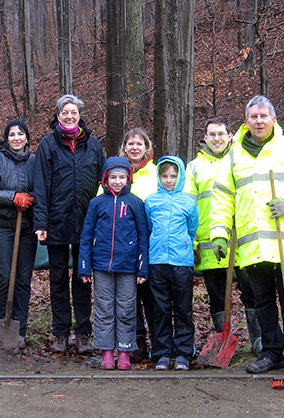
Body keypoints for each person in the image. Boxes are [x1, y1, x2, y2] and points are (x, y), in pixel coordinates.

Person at [210, 95, 284, 375]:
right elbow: (222, 198)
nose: (259, 121)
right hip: (253, 244)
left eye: (263, 116)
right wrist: (219, 234)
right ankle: (271, 353)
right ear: (246, 121)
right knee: (262, 304)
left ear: (273, 119)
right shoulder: (234, 155)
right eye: (254, 117)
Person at [33, 94, 105, 354]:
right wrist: (41, 222)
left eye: (73, 112)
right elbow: (40, 187)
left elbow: (102, 185)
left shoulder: (93, 145)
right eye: (65, 112)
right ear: (58, 115)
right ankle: (60, 332)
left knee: (83, 279)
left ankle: (84, 332)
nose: (69, 116)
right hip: (56, 222)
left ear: (79, 115)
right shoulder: (48, 146)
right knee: (58, 280)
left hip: (87, 224)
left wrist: (101, 223)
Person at [184, 117, 262, 355]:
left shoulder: (242, 161)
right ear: (205, 138)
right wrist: (194, 241)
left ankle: (259, 339)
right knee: (217, 296)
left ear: (230, 136)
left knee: (253, 293)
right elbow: (189, 207)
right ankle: (223, 338)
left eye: (221, 134)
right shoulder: (195, 167)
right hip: (209, 245)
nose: (217, 139)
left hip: (244, 242)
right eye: (212, 134)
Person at [78, 157, 150, 370]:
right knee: (104, 309)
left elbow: (143, 236)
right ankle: (106, 352)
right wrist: (84, 266)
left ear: (128, 179)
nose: (117, 181)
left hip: (128, 268)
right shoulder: (97, 203)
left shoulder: (135, 203)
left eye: (122, 177)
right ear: (105, 179)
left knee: (127, 309)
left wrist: (142, 267)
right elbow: (86, 235)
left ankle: (125, 351)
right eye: (113, 177)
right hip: (102, 267)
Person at [0, 120, 37, 350]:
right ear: (6, 139)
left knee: (23, 278)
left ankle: (20, 327)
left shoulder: (34, 161)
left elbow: (42, 187)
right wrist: (13, 197)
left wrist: (30, 198)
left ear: (26, 138)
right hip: (3, 226)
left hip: (27, 227)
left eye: (20, 134)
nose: (16, 138)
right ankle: (1, 321)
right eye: (12, 134)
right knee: (6, 276)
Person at [145, 156, 199, 371]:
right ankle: (162, 352)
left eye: (173, 176)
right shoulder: (151, 201)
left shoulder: (188, 202)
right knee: (160, 308)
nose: (169, 180)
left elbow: (192, 228)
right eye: (165, 176)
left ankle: (184, 351)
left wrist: (186, 245)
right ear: (159, 176)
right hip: (157, 260)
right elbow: (149, 226)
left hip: (181, 261)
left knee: (183, 308)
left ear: (181, 177)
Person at [118, 128, 158, 362]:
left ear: (146, 147)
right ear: (124, 147)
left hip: (151, 245)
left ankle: (159, 342)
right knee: (128, 299)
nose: (134, 147)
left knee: (151, 296)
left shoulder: (156, 173)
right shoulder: (115, 172)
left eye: (139, 144)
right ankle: (136, 343)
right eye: (130, 143)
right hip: (122, 246)